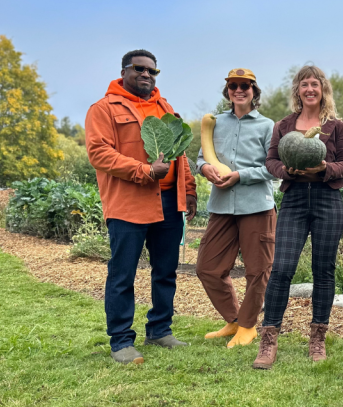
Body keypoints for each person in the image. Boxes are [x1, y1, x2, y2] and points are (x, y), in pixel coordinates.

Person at [85, 49, 197, 364]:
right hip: (128, 204)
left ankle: (160, 329)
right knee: (123, 273)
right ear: (124, 71)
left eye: (152, 71)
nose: (147, 75)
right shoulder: (103, 109)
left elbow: (180, 154)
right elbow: (99, 153)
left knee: (166, 271)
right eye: (139, 69)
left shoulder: (165, 107)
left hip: (169, 205)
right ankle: (121, 341)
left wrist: (189, 189)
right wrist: (144, 172)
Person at [253, 65, 343, 369]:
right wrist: (285, 171)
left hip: (327, 199)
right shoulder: (284, 125)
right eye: (304, 85)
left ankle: (318, 338)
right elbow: (271, 159)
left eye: (315, 84)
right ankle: (269, 339)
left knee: (323, 271)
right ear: (297, 90)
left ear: (323, 89)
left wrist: (325, 169)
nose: (310, 89)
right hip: (295, 200)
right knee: (282, 269)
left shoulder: (335, 126)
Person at [195, 68, 276, 348]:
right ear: (227, 91)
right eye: (233, 86)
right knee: (207, 267)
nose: (239, 90)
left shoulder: (268, 126)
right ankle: (234, 319)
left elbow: (273, 167)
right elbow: (201, 157)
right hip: (221, 206)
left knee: (258, 271)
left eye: (245, 86)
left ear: (254, 91)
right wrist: (205, 168)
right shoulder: (214, 122)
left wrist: (241, 175)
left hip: (257, 206)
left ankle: (248, 326)